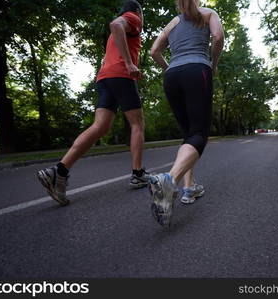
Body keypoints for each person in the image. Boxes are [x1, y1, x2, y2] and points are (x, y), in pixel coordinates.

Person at [37, 0, 149, 206]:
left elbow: (116, 30)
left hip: (105, 78)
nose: (142, 20)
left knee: (100, 126)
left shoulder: (119, 33)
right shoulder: (132, 18)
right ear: (137, 12)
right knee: (137, 124)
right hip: (121, 76)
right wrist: (129, 63)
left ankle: (59, 171)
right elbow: (115, 25)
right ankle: (138, 173)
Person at [149, 0, 224, 227]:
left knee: (188, 135)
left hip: (172, 76)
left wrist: (170, 68)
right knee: (199, 134)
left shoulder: (172, 22)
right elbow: (218, 38)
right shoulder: (208, 13)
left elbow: (154, 51)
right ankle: (169, 180)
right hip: (197, 70)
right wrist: (213, 63)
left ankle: (189, 188)